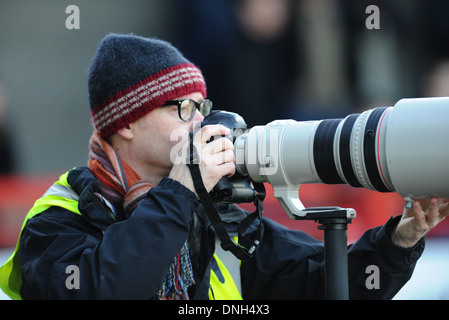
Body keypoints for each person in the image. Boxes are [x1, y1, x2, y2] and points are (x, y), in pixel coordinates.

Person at [0, 34, 447, 300]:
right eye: (183, 108)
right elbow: (103, 290)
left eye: (203, 105)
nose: (201, 121)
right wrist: (179, 194)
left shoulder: (216, 214)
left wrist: (395, 242)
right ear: (129, 123)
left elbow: (321, 288)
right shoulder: (60, 217)